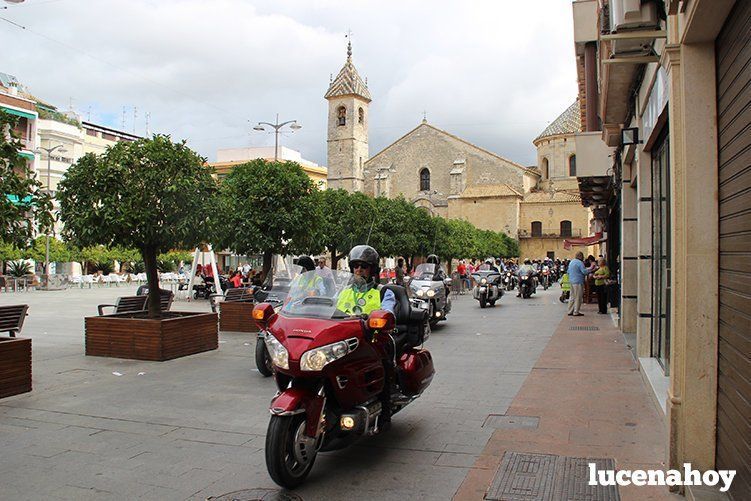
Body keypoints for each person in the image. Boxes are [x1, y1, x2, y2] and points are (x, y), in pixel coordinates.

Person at [336, 245, 395, 315]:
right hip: (342, 325)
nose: (359, 270)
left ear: (372, 269)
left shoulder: (383, 292)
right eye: (356, 266)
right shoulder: (343, 291)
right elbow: (329, 307)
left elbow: (388, 314)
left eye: (364, 266)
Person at [567, 251, 594, 316]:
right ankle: (576, 311)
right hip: (578, 282)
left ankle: (570, 311)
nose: (583, 258)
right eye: (582, 256)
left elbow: (568, 271)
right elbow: (584, 272)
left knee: (572, 297)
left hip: (571, 281)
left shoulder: (572, 262)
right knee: (578, 297)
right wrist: (591, 269)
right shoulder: (580, 263)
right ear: (580, 256)